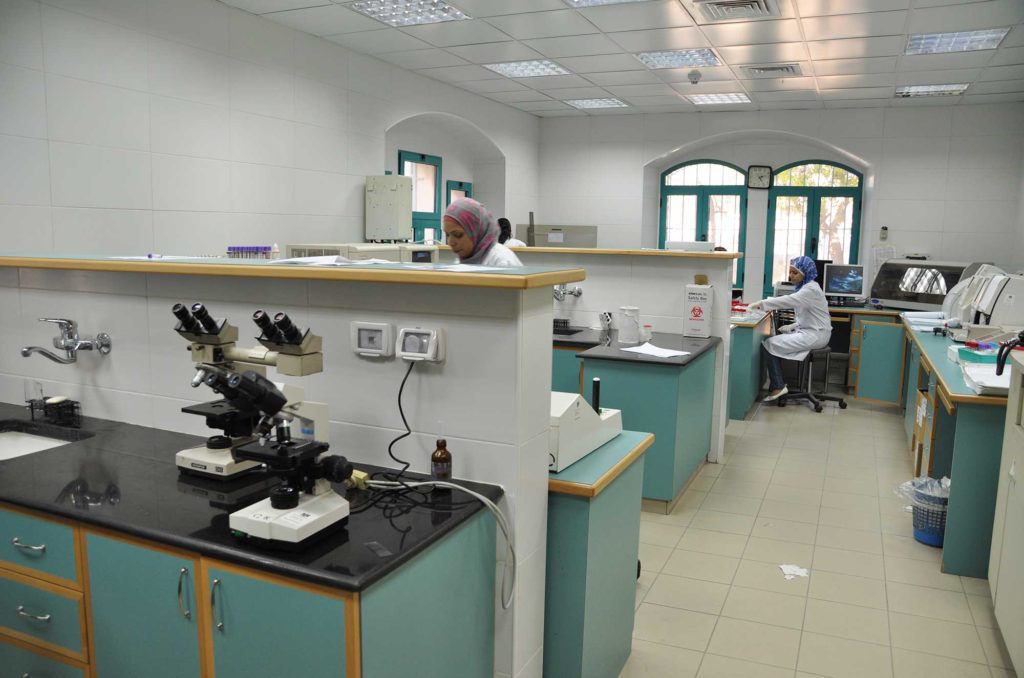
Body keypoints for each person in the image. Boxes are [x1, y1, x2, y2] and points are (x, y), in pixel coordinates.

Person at [747, 255, 832, 402]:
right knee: (774, 342)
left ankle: (778, 386)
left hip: (816, 335)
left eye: (795, 272)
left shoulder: (810, 290)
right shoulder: (806, 288)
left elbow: (788, 301)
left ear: (805, 273)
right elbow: (809, 316)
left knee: (769, 344)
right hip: (811, 331)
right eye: (790, 272)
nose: (790, 275)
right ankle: (777, 385)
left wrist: (761, 303)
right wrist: (793, 325)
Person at [443, 198, 522, 267]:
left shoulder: (503, 261)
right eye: (447, 235)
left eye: (458, 235)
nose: (450, 243)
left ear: (477, 231)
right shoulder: (461, 262)